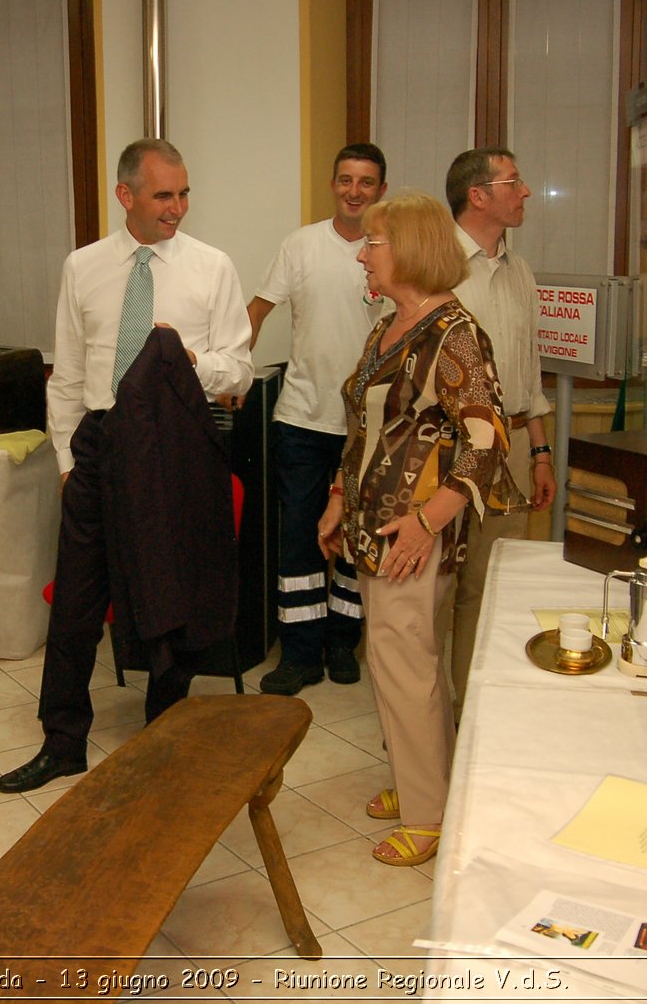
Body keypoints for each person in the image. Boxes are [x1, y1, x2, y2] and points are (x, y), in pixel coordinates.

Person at [0, 138, 252, 795]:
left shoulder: (212, 267)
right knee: (77, 601)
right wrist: (62, 458)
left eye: (184, 194)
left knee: (170, 591)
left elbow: (241, 370)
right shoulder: (82, 268)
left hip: (176, 445)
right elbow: (69, 373)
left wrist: (193, 360)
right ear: (126, 196)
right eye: (164, 195)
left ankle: (163, 733)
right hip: (99, 445)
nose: (178, 209)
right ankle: (61, 741)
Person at [317, 191, 523, 867]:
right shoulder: (390, 327)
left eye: (372, 243)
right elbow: (366, 426)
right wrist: (338, 498)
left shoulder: (454, 333)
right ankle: (417, 782)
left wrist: (427, 522)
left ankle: (428, 816)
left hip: (414, 532)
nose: (362, 254)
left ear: (405, 250)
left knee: (405, 662)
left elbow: (485, 438)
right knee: (398, 659)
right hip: (375, 523)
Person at [247, 144, 387, 696]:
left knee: (356, 540)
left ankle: (341, 644)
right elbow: (257, 311)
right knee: (302, 542)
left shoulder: (389, 251)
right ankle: (301, 653)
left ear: (381, 189)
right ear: (333, 184)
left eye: (367, 182)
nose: (355, 191)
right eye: (346, 180)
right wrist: (233, 374)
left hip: (370, 429)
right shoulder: (300, 245)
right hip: (303, 417)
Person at [443, 148, 555, 713]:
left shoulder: (521, 271)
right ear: (478, 195)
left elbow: (528, 372)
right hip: (448, 452)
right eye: (514, 182)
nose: (526, 191)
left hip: (510, 451)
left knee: (489, 591)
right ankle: (423, 742)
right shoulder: (437, 268)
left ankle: (477, 720)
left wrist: (540, 451)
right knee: (437, 598)